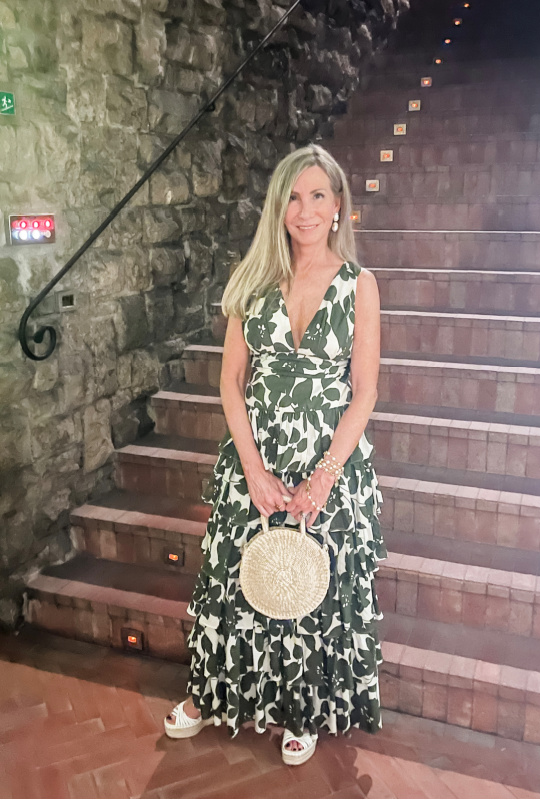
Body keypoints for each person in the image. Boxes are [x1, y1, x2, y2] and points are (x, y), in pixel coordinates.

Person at [164, 143, 386, 766]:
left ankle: (301, 708)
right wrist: (253, 468)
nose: (305, 209)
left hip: (329, 462)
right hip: (253, 459)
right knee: (236, 582)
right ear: (277, 206)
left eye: (318, 195)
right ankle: (214, 694)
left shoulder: (359, 286)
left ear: (338, 206)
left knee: (312, 587)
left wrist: (323, 480)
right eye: (293, 196)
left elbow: (365, 390)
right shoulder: (254, 279)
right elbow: (229, 382)